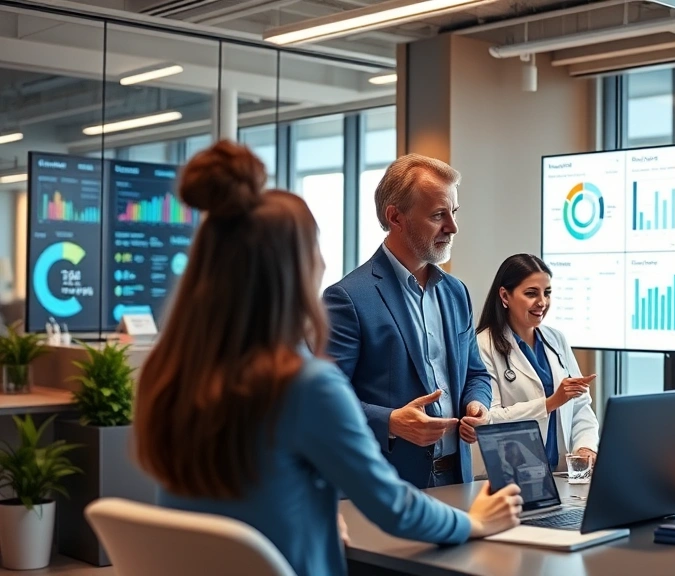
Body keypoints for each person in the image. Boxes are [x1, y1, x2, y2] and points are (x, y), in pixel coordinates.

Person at [134, 141, 523, 576]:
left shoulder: (170, 375)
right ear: (292, 269)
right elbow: (392, 507)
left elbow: (253, 488)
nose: (322, 262)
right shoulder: (305, 384)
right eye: (314, 248)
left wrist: (313, 514)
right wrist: (475, 521)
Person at [323, 153, 491, 489]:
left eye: (453, 213)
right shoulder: (348, 298)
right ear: (395, 217)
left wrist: (478, 405)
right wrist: (391, 421)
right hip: (385, 486)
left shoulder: (456, 292)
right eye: (438, 215)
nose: (453, 227)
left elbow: (476, 373)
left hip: (457, 479)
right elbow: (325, 400)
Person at [476, 254, 599, 471]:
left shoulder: (556, 339)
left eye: (547, 293)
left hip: (561, 471)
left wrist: (585, 448)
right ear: (505, 296)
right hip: (514, 472)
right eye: (531, 293)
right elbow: (490, 418)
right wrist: (550, 403)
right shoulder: (483, 344)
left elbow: (580, 406)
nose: (542, 302)